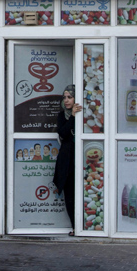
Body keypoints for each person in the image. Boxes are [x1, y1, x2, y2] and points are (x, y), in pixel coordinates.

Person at [52, 84, 82, 235]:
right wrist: (73, 117)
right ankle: (75, 227)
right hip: (67, 160)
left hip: (82, 158)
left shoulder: (85, 112)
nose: (67, 100)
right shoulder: (62, 115)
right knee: (69, 194)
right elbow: (63, 134)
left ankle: (85, 226)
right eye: (65, 97)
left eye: (70, 97)